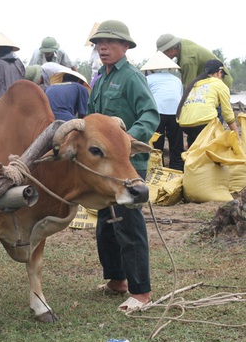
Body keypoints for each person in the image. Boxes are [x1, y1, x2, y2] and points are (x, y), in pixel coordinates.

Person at [87, 19, 159, 312]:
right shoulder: (100, 80)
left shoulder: (130, 77)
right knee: (105, 223)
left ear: (126, 46)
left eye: (110, 43)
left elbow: (150, 113)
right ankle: (117, 280)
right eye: (98, 43)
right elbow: (92, 118)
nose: (103, 47)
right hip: (104, 167)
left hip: (129, 165)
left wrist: (129, 139)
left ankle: (142, 293)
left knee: (129, 225)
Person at [176, 59, 239, 148]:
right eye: (222, 75)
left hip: (184, 124)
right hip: (204, 123)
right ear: (219, 72)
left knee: (194, 146)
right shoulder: (219, 84)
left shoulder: (195, 83)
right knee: (214, 145)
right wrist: (236, 136)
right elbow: (227, 113)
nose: (222, 78)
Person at [141, 51, 185, 171]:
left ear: (152, 68)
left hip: (158, 112)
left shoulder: (148, 79)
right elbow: (180, 96)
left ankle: (157, 167)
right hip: (175, 112)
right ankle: (177, 168)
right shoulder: (176, 79)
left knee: (157, 142)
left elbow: (145, 97)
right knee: (176, 142)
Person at [156, 34, 233, 89]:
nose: (162, 57)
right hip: (209, 82)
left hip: (221, 82)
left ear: (172, 50)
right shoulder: (182, 44)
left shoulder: (187, 60)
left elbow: (189, 87)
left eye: (163, 53)